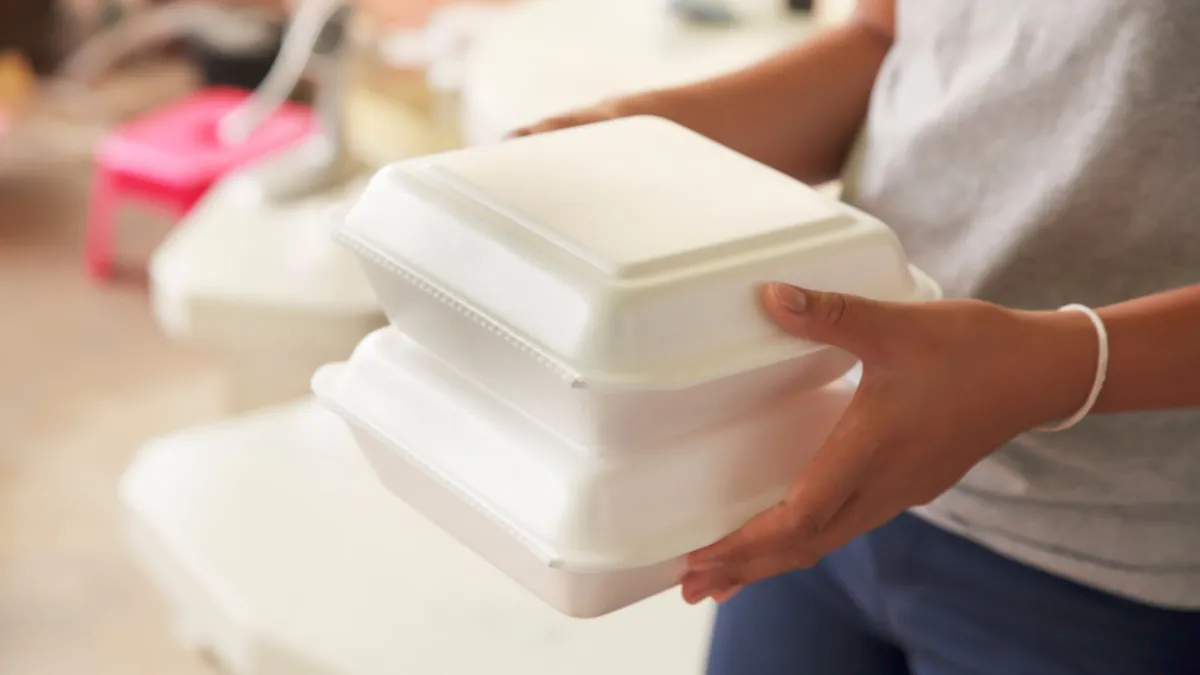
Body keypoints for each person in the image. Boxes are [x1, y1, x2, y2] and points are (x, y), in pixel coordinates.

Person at [514, 1, 1200, 673]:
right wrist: (629, 143)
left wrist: (1060, 367)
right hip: (823, 464)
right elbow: (892, 37)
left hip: (1109, 570)